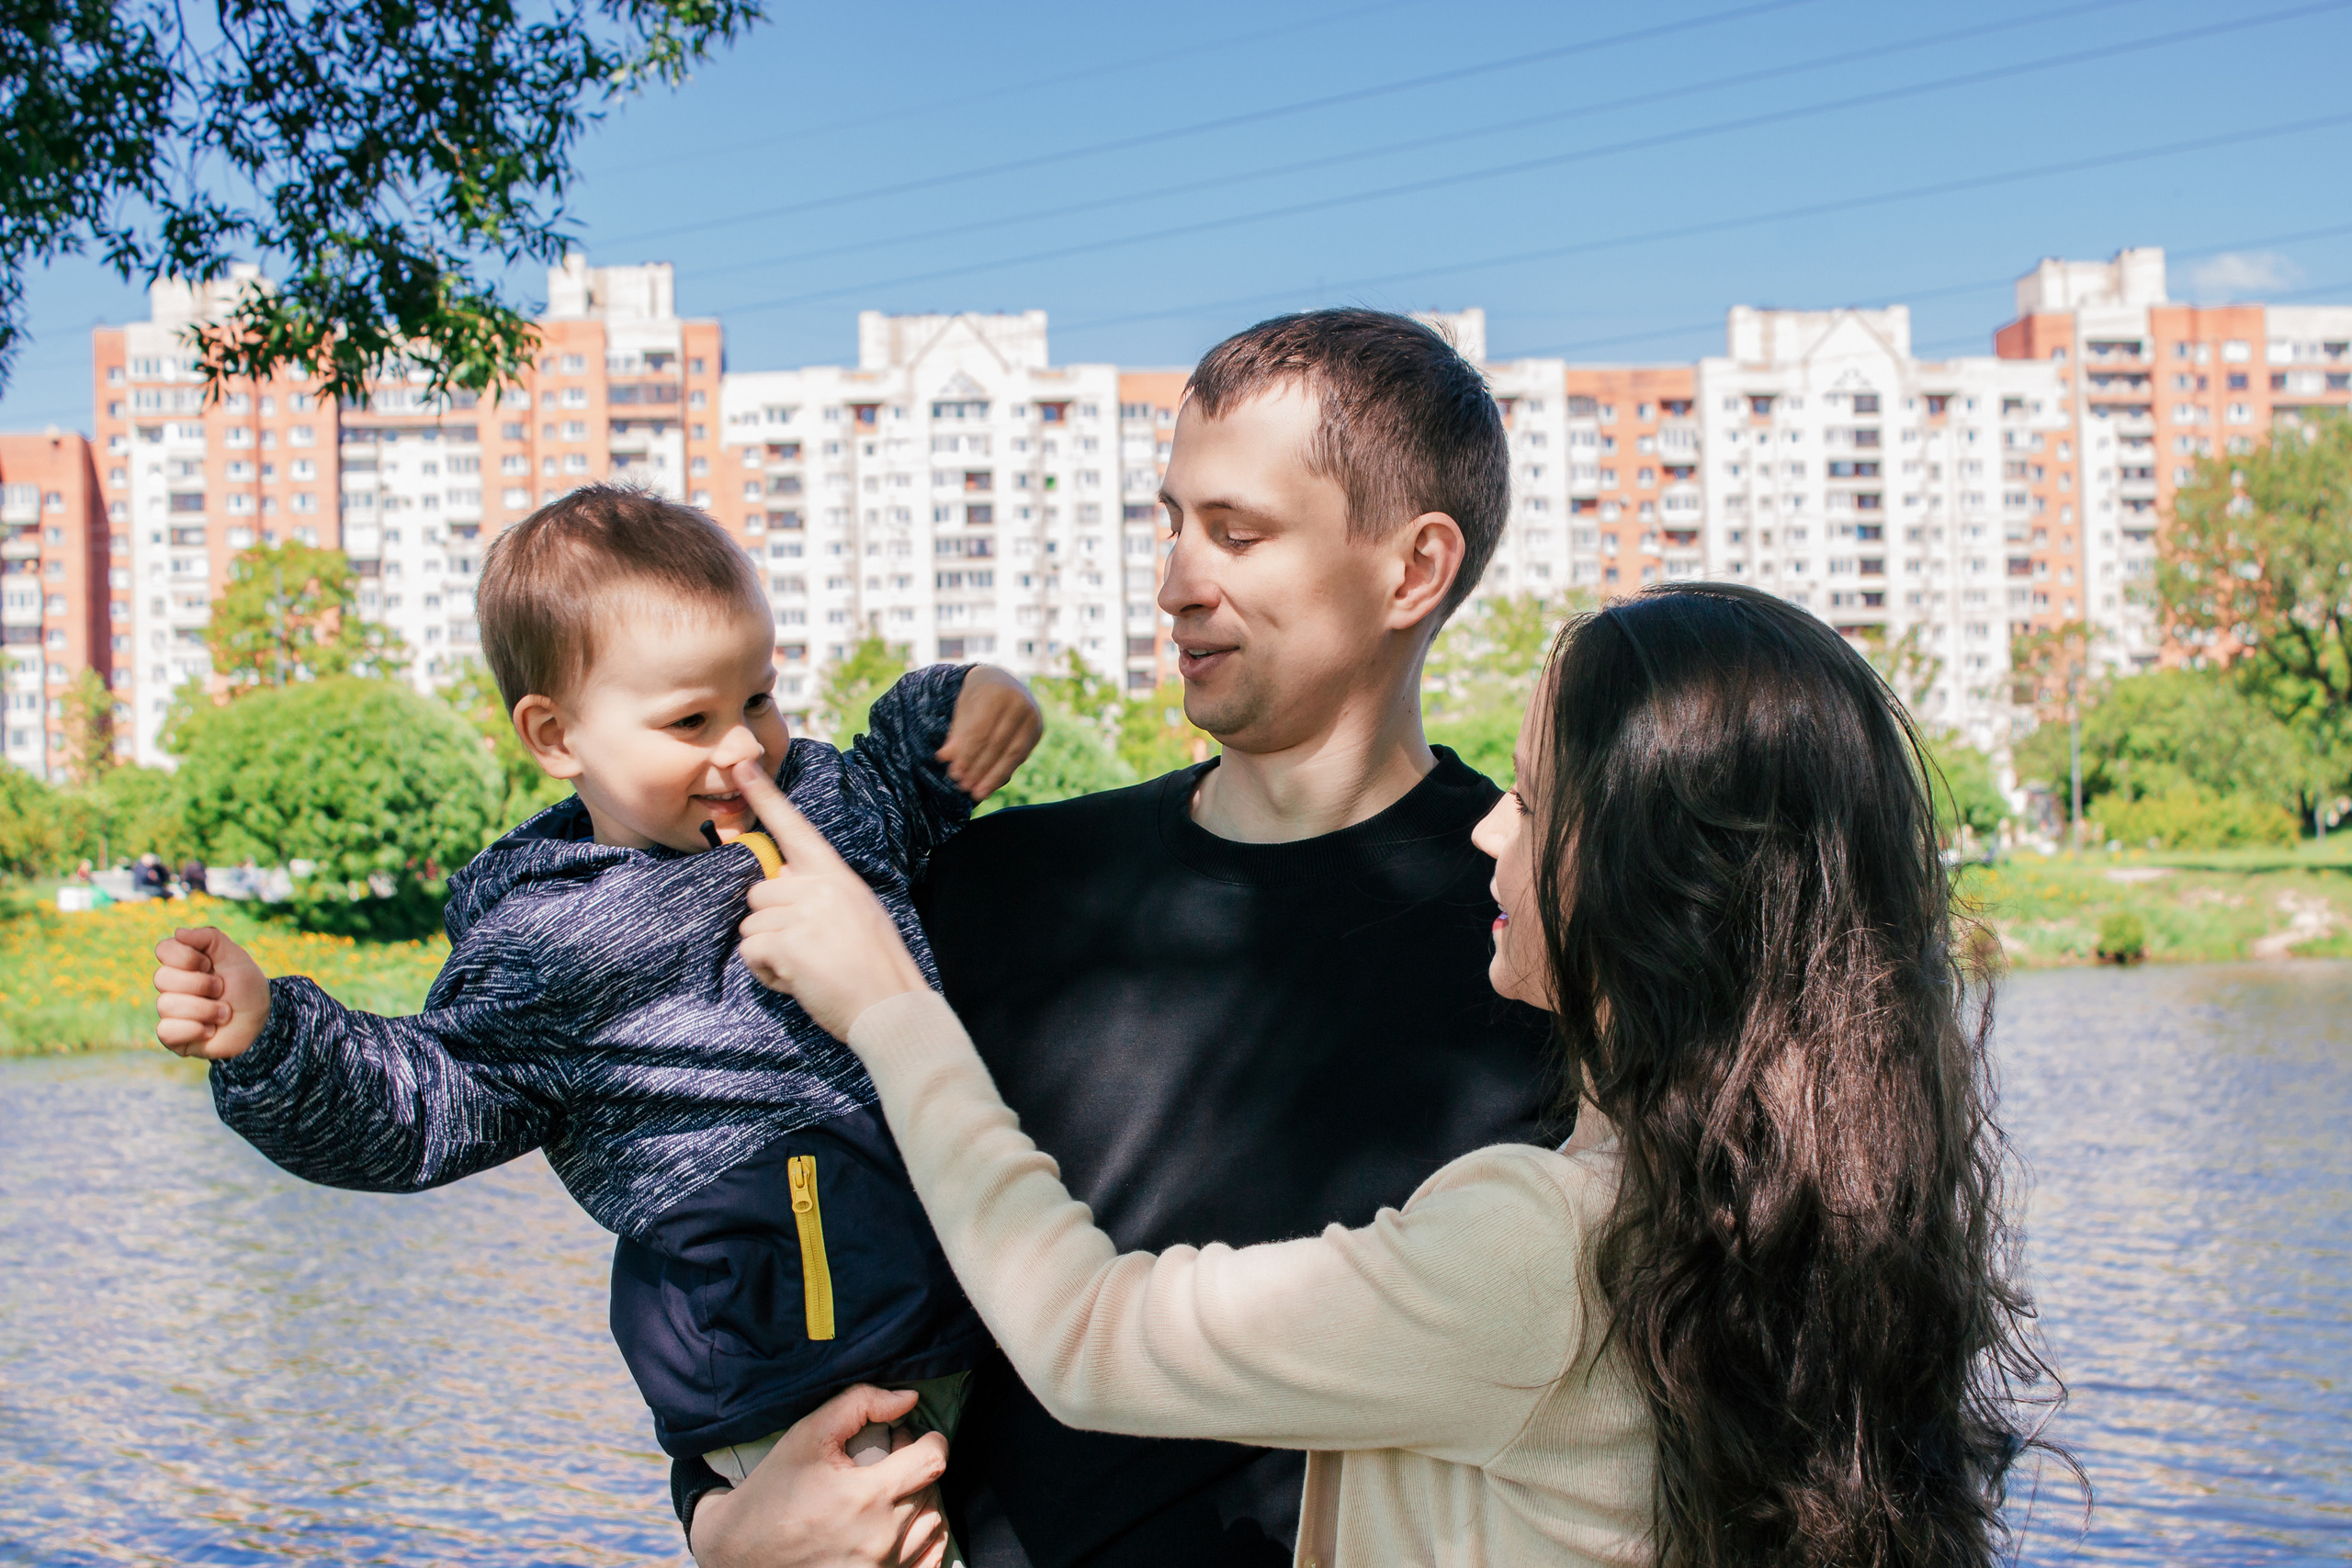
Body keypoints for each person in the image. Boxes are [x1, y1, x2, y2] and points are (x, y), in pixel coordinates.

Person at [727, 581, 2064, 1568]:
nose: (1488, 821)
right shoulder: (1773, 1210)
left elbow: (1086, 1334)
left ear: (1662, 884)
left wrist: (885, 998)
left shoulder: (1546, 1246)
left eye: (1536, 801)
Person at [683, 310, 1561, 1565]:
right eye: (1171, 520)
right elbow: (764, 1210)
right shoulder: (998, 882)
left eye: (1238, 532)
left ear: (1413, 570)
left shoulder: (1536, 938)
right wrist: (721, 1515)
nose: (1175, 581)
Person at [149, 486, 1043, 1559]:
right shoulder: (551, 941)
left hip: (978, 1308)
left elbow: (907, 763)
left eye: (758, 698)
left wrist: (981, 694)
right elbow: (421, 1103)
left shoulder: (822, 804)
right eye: (689, 722)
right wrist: (272, 1039)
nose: (743, 754)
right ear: (555, 734)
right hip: (796, 1383)